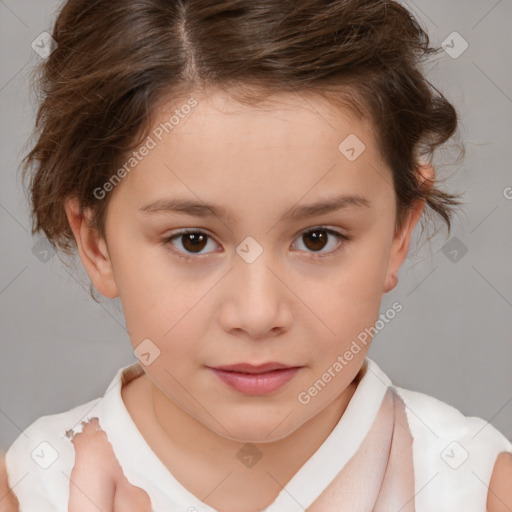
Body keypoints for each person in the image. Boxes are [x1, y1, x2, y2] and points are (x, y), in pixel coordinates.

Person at [1, 0, 511, 510]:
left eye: (317, 238)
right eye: (193, 241)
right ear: (97, 244)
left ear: (400, 230)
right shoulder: (30, 491)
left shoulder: (479, 489)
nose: (258, 313)